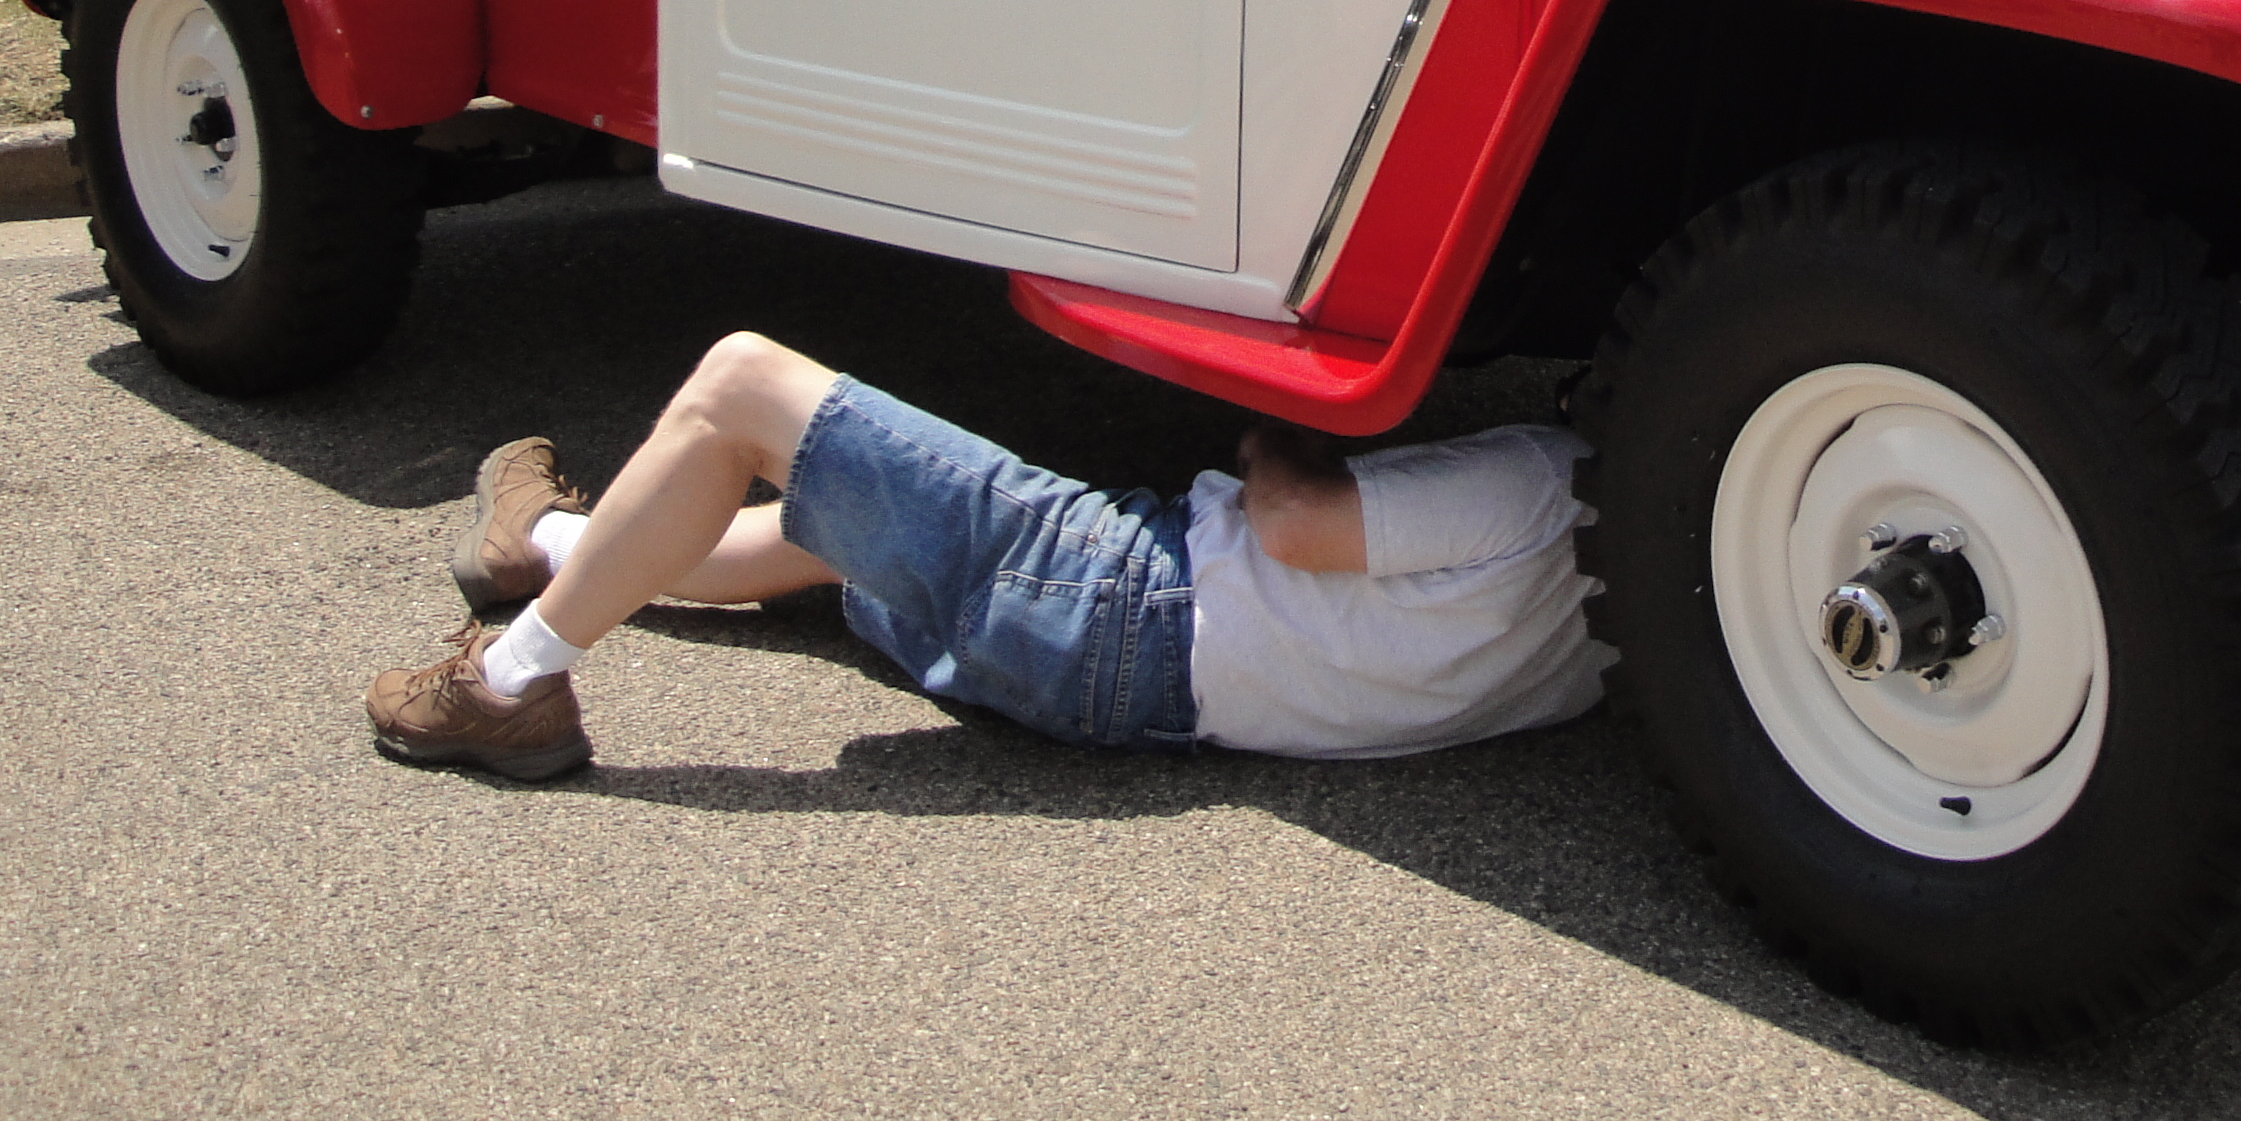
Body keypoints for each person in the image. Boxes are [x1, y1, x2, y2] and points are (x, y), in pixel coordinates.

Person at [364, 332, 1605, 780]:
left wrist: (1287, 417)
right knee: (836, 535)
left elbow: (1292, 524)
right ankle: (544, 539)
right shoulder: (1657, 623)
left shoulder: (1547, 480)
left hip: (1122, 600)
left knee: (741, 389)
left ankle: (509, 684)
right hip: (1137, 707)